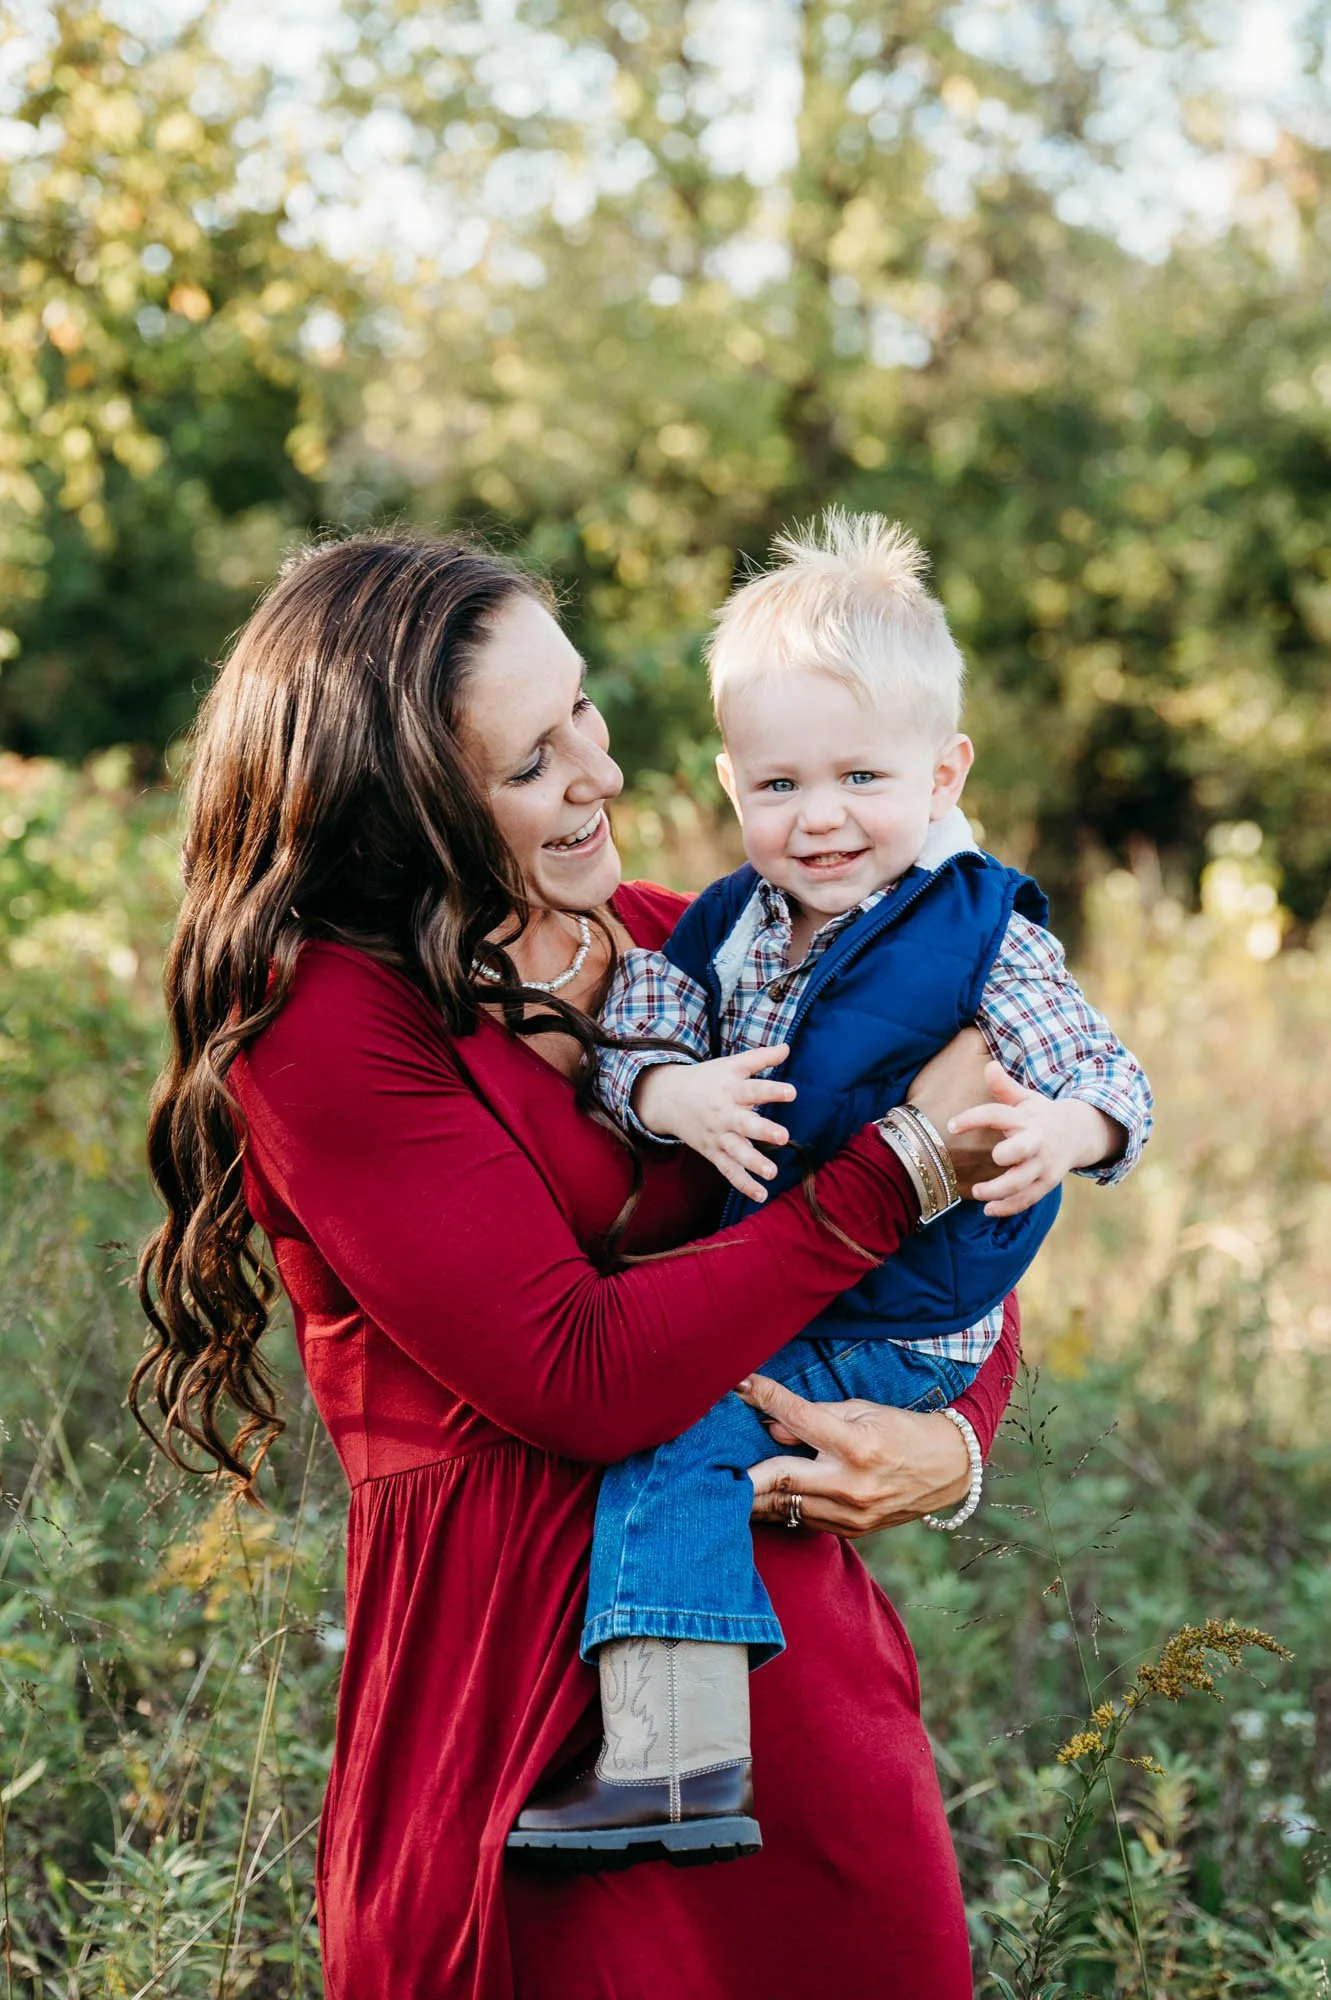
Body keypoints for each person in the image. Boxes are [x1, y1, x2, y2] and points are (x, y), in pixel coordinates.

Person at [132, 529, 1025, 2000]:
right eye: (533, 760)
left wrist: (950, 1442)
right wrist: (891, 1171)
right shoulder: (328, 1027)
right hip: (530, 1711)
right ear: (402, 811)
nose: (601, 774)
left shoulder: (703, 952)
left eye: (585, 712)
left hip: (786, 1657)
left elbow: (965, 1241)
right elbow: (581, 1375)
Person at [511, 512, 1152, 1866]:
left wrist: (1064, 1132)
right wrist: (669, 1093)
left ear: (942, 772)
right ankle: (675, 1757)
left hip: (904, 1323)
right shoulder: (715, 929)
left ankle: (673, 1764)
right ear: (729, 783)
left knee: (673, 1430)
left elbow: (1105, 1073)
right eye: (776, 785)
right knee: (682, 1429)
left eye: (861, 775)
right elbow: (632, 1052)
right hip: (811, 1281)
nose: (818, 820)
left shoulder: (978, 929)